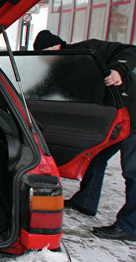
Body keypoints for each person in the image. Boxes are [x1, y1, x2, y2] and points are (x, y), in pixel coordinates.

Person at [33, 29, 136, 241]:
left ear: (54, 47)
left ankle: (130, 226)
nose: (42, 60)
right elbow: (42, 90)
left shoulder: (88, 49)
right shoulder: (59, 68)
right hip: (112, 120)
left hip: (134, 116)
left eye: (43, 54)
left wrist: (118, 70)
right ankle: (86, 202)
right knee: (96, 158)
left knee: (133, 172)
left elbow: (131, 50)